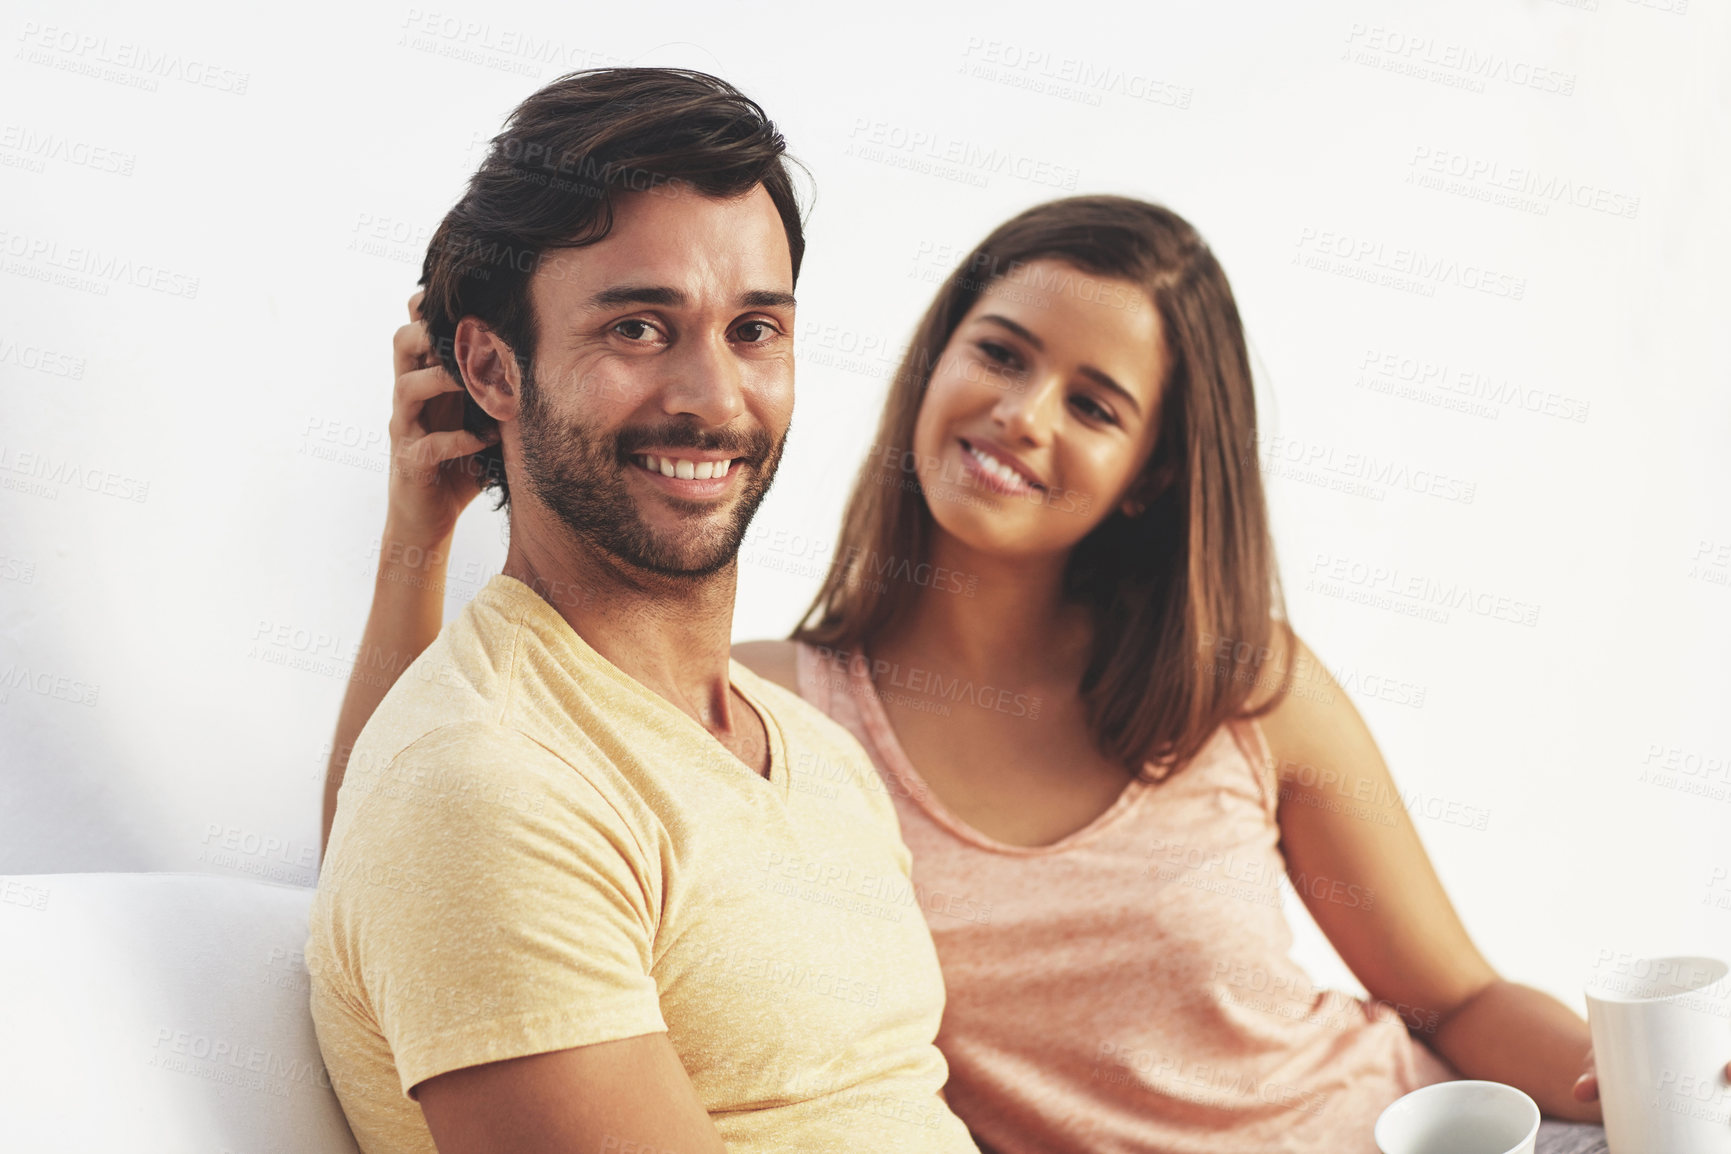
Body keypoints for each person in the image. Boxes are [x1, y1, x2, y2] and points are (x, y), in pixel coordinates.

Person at [329, 185, 1701, 1149]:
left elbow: (1448, 996)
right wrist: (419, 531)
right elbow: (396, 858)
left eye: (1092, 404)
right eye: (998, 352)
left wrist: (1643, 1096)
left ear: (1149, 471)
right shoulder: (777, 723)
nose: (1018, 415)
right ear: (931, 363)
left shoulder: (1235, 684)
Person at [307, 67, 978, 1154]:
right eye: (636, 328)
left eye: (754, 328)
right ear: (488, 364)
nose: (713, 398)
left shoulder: (812, 751)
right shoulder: (479, 783)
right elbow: (428, 825)